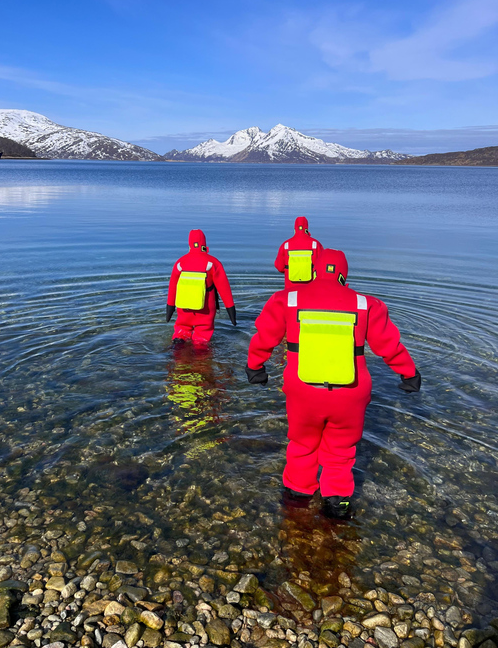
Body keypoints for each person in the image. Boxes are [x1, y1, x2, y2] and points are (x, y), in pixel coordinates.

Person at [245, 248, 421, 520]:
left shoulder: (287, 299)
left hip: (303, 392)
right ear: (344, 275)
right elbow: (390, 346)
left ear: (313, 271)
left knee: (302, 446)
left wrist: (255, 367)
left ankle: (297, 500)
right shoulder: (367, 305)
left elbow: (264, 337)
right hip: (350, 395)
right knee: (340, 451)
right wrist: (409, 374)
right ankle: (337, 505)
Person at [166, 229, 236, 344]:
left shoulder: (180, 263)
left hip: (184, 308)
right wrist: (231, 312)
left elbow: (172, 288)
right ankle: (201, 354)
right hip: (206, 309)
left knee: (181, 330)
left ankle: (177, 349)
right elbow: (224, 289)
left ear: (189, 244)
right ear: (205, 244)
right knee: (203, 335)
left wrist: (169, 309)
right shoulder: (212, 263)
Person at [274, 216, 324, 287]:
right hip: (311, 289)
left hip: (290, 289)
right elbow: (323, 267)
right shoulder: (316, 245)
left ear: (295, 229)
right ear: (307, 229)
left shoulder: (286, 245)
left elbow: (280, 267)